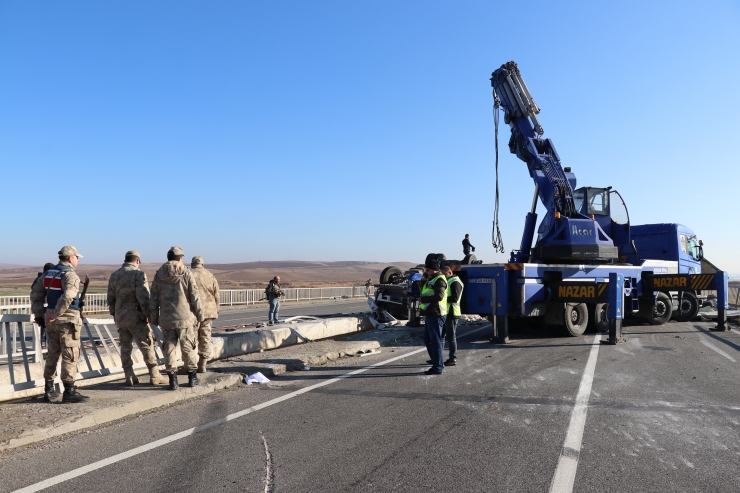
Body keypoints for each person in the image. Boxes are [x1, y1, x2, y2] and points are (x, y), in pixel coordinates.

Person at [107, 250, 167, 386]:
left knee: (125, 347)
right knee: (146, 345)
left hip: (121, 317)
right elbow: (143, 297)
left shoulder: (114, 275)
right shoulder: (138, 274)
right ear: (137, 260)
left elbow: (110, 298)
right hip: (136, 317)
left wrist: (114, 314)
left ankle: (128, 375)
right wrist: (149, 315)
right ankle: (154, 375)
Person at [150, 246, 204, 390]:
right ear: (180, 258)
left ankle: (173, 380)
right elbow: (195, 296)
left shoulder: (159, 274)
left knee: (169, 348)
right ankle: (192, 378)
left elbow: (153, 298)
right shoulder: (186, 272)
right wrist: (200, 315)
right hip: (185, 318)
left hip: (167, 319)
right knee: (189, 348)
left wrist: (154, 318)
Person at [41, 246, 90, 403]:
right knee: (70, 354)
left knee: (52, 354)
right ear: (70, 258)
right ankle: (69, 391)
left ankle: (48, 390)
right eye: (77, 257)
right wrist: (56, 313)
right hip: (67, 320)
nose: (78, 260)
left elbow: (36, 293)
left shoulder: (49, 273)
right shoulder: (70, 275)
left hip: (51, 321)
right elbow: (69, 295)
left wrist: (40, 315)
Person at [416, 258, 448, 375]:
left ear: (432, 269)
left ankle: (438, 366)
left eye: (427, 269)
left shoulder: (439, 280)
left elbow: (439, 296)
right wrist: (424, 280)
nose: (426, 271)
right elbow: (425, 291)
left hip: (436, 313)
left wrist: (422, 299)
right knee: (428, 340)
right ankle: (437, 362)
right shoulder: (432, 279)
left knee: (435, 341)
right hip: (430, 313)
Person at [189, 256, 220, 373]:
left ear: (192, 264)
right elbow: (216, 294)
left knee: (191, 339)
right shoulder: (210, 275)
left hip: (191, 312)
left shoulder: (188, 274)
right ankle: (202, 364)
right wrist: (216, 309)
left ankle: (191, 364)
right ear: (202, 264)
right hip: (208, 311)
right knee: (205, 337)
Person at [441, 265, 464, 366]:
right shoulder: (448, 281)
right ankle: (438, 358)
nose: (443, 276)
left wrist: (441, 298)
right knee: (441, 336)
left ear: (449, 273)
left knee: (451, 337)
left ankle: (452, 358)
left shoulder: (455, 282)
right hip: (446, 312)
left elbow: (455, 298)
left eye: (444, 274)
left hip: (452, 313)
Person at [30, 262, 54, 345]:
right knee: (47, 330)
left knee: (42, 330)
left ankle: (40, 349)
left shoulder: (38, 279)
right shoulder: (44, 279)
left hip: (40, 308)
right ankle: (42, 350)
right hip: (44, 308)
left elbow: (35, 295)